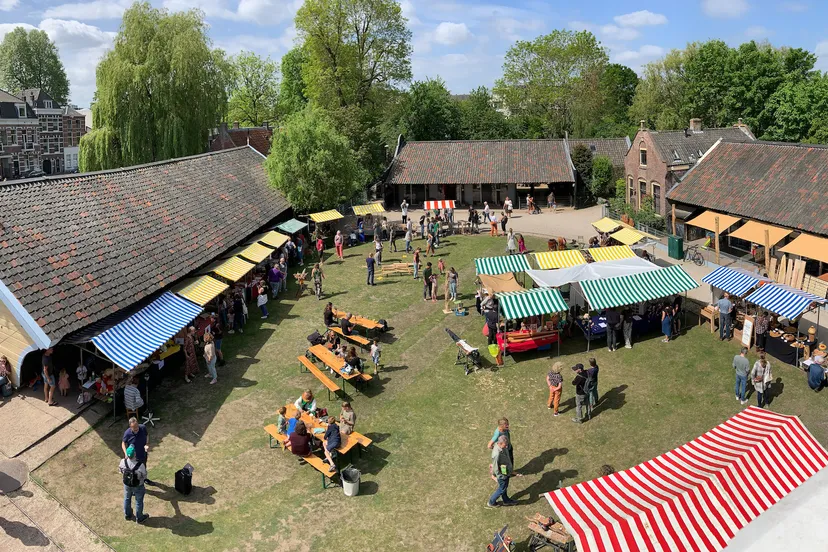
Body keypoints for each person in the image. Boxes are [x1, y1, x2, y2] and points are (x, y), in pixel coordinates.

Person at [487, 435, 519, 508]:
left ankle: (506, 500)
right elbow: (496, 468)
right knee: (502, 489)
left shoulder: (502, 447)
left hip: (506, 472)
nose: (506, 445)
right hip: (502, 475)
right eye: (505, 444)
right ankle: (491, 502)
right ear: (500, 443)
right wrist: (501, 476)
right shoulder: (497, 454)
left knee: (504, 487)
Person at [119, 444, 149, 523]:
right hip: (138, 485)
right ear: (134, 454)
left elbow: (121, 470)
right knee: (139, 501)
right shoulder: (140, 465)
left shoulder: (123, 462)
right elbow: (145, 476)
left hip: (127, 484)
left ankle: (127, 515)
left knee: (127, 498)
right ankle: (139, 518)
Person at [122, 417, 153, 485]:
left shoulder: (143, 427)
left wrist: (147, 444)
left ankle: (145, 479)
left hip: (143, 454)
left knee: (143, 468)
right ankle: (134, 484)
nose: (136, 429)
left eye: (137, 426)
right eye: (134, 428)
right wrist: (126, 453)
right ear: (130, 427)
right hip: (134, 457)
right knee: (134, 472)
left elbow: (147, 435)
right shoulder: (127, 433)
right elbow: (123, 443)